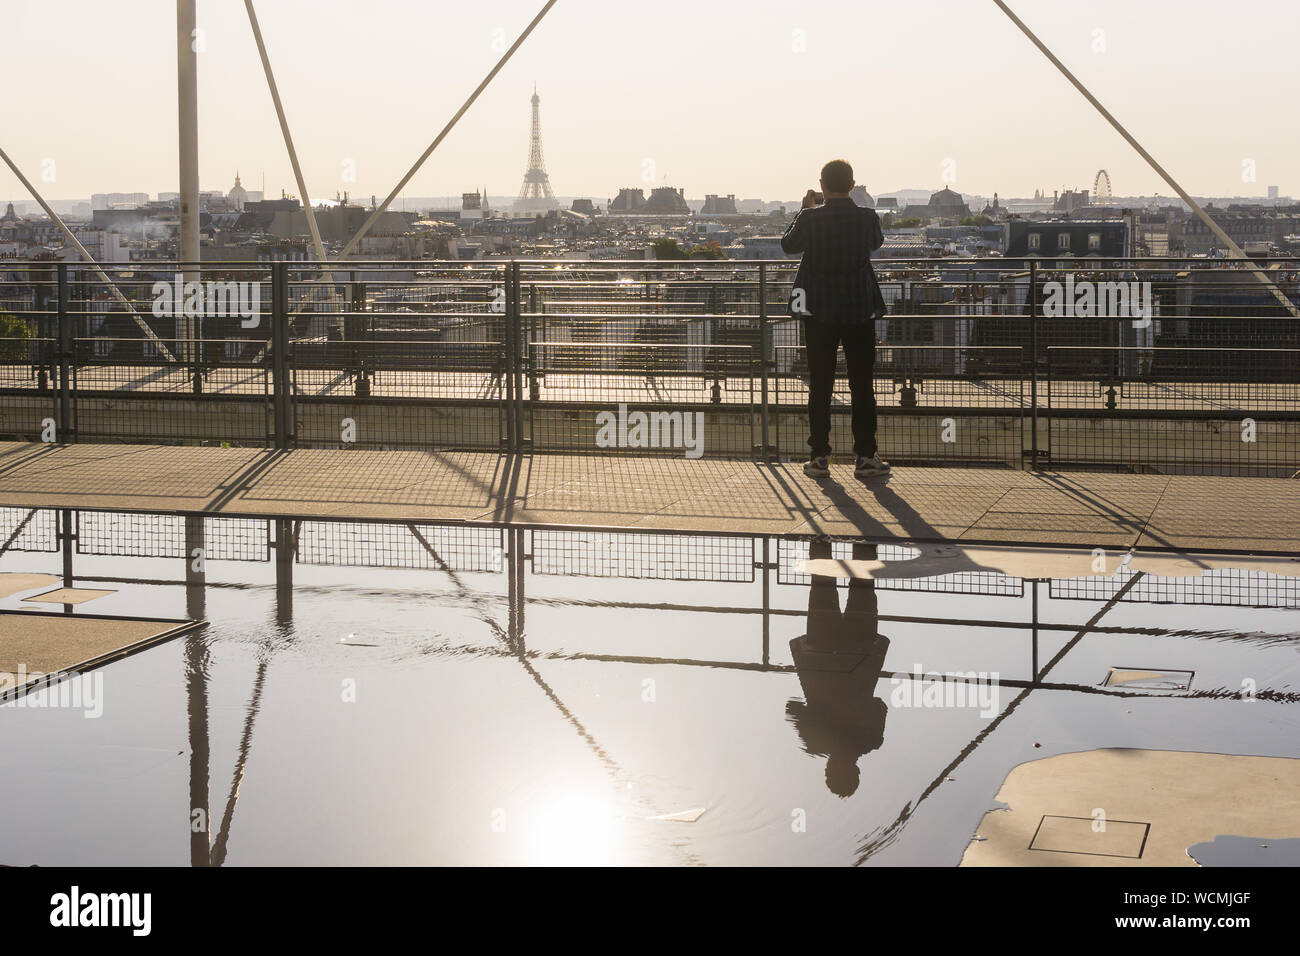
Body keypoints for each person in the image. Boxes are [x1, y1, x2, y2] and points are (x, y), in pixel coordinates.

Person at [781, 159, 890, 478]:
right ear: (853, 186)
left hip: (819, 310)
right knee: (861, 384)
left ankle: (819, 456)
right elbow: (876, 244)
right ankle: (866, 456)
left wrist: (803, 210)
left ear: (822, 185)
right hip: (858, 308)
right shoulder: (867, 217)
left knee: (820, 384)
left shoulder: (811, 218)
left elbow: (789, 245)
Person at [785, 540, 890, 798]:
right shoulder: (814, 741)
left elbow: (879, 705)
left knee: (863, 586)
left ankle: (864, 544)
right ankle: (821, 542)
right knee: (822, 586)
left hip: (861, 651)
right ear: (828, 769)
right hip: (820, 648)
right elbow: (792, 707)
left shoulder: (871, 740)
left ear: (856, 771)